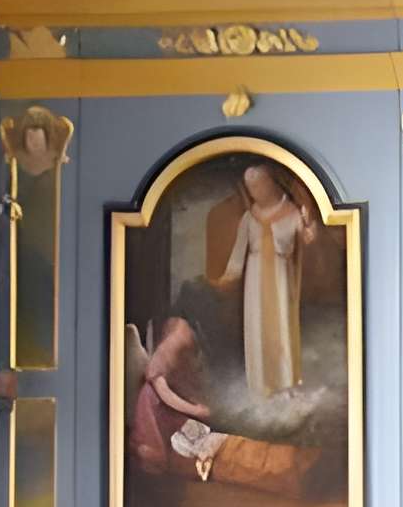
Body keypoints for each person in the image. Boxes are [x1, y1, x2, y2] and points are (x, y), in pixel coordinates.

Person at [218, 161, 312, 404]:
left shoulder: (292, 212)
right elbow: (239, 251)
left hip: (280, 278)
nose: (255, 193)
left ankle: (284, 382)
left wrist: (308, 231)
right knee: (257, 328)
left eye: (259, 187)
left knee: (280, 326)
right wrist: (230, 275)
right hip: (255, 279)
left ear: (270, 185)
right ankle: (260, 386)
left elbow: (306, 238)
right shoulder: (250, 217)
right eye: (251, 189)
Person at [128, 316, 220, 479]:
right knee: (160, 447)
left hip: (167, 411)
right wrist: (195, 410)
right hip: (154, 412)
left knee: (195, 434)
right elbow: (167, 396)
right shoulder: (159, 366)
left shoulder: (179, 362)